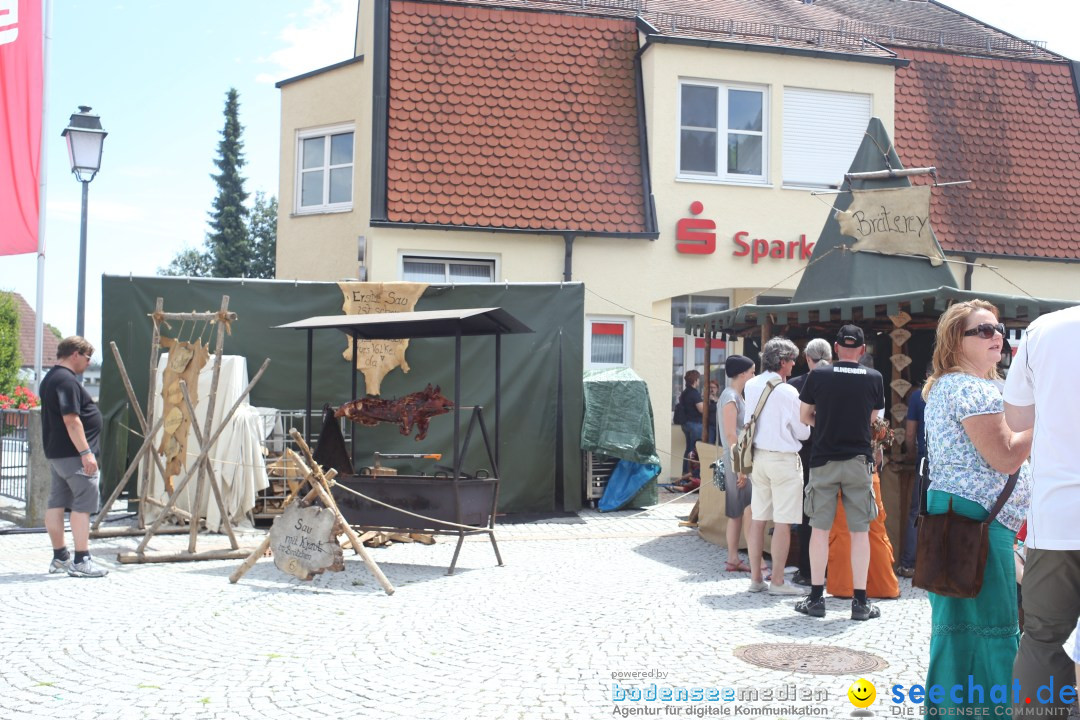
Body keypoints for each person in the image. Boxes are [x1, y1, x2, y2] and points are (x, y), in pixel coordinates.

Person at [920, 301, 1032, 714]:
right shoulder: (972, 388)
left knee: (956, 631)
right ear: (956, 340)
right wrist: (1047, 423)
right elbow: (1004, 456)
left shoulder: (947, 385)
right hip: (978, 523)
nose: (996, 336)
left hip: (959, 518)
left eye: (998, 328)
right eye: (983, 330)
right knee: (995, 632)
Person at [1005, 305, 1080, 719]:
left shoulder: (1044, 329)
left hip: (1059, 516)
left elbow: (1017, 418)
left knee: (1044, 637)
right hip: (1055, 517)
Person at [796, 324, 885, 621]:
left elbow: (804, 415)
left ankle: (816, 597)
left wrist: (823, 423)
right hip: (858, 460)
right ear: (862, 350)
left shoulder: (819, 375)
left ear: (835, 348)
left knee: (819, 530)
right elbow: (873, 420)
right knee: (860, 531)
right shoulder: (874, 378)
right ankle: (860, 602)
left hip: (823, 460)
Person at [743, 337, 808, 595]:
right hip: (782, 459)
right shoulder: (788, 391)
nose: (794, 365)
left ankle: (756, 578)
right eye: (792, 360)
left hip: (757, 457)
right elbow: (803, 433)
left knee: (758, 519)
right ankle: (778, 581)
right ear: (782, 361)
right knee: (783, 521)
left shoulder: (750, 384)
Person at [39, 336, 109, 578]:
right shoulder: (66, 381)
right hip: (74, 455)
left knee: (56, 502)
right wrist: (86, 453)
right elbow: (72, 419)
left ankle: (60, 557)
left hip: (58, 454)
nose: (89, 363)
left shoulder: (50, 378)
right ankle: (81, 560)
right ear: (75, 354)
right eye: (88, 358)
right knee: (83, 502)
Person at [787, 338, 832, 586]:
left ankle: (807, 570)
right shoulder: (841, 381)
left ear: (807, 358)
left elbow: (796, 422)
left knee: (808, 513)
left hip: (806, 453)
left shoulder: (795, 385)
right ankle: (834, 569)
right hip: (834, 451)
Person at [718, 355, 755, 572]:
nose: (754, 375)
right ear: (742, 373)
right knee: (743, 510)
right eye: (751, 371)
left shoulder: (731, 395)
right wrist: (741, 467)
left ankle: (733, 558)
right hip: (737, 459)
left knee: (738, 511)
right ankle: (742, 558)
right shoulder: (731, 396)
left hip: (735, 458)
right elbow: (732, 435)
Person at [897, 362, 931, 578]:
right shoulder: (950, 393)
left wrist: (911, 453)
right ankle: (935, 565)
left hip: (924, 462)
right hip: (947, 464)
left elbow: (910, 433)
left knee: (916, 514)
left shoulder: (918, 396)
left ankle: (909, 564)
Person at [677, 370, 704, 476]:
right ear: (695, 380)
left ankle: (686, 473)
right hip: (695, 424)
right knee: (695, 451)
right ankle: (694, 475)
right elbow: (701, 409)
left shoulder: (685, 393)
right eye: (698, 379)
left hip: (686, 424)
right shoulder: (694, 393)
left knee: (688, 449)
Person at [707, 379, 720, 444]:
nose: (712, 389)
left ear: (717, 389)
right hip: (710, 426)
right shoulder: (705, 400)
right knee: (710, 444)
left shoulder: (719, 399)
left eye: (714, 387)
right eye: (710, 387)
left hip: (719, 425)